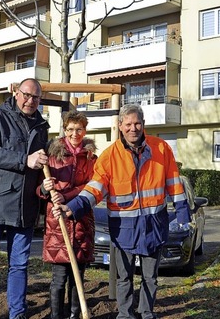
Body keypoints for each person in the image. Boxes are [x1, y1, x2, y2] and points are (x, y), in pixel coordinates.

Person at [53, 104, 191, 319]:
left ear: (143, 124)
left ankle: (147, 313)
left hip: (153, 225)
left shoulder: (161, 148)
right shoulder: (109, 156)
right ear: (120, 126)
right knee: (124, 277)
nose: (133, 128)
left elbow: (174, 183)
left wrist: (183, 213)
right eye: (128, 124)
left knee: (150, 277)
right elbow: (95, 188)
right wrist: (72, 208)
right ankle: (125, 315)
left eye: (137, 123)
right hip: (123, 228)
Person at [0, 78, 50, 319]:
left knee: (20, 265)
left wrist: (44, 187)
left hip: (24, 207)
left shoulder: (41, 127)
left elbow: (40, 165)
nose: (30, 101)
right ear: (16, 93)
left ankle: (17, 314)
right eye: (26, 95)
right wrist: (25, 159)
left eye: (35, 97)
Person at [39, 111, 97, 319]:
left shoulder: (90, 158)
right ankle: (57, 316)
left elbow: (91, 186)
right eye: (71, 129)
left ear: (85, 130)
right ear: (64, 129)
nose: (75, 133)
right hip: (57, 222)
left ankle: (75, 314)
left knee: (78, 276)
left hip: (81, 219)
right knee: (59, 276)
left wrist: (68, 197)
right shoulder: (51, 157)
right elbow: (39, 190)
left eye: (79, 129)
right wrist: (45, 189)